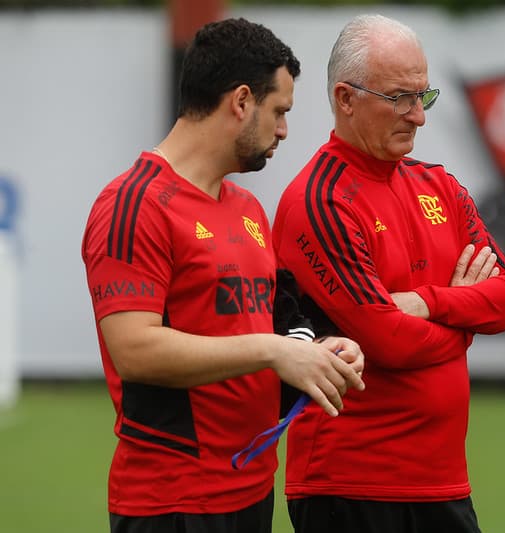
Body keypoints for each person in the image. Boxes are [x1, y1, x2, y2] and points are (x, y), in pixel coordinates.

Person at [81, 17, 365, 533]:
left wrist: (317, 349)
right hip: (172, 503)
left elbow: (275, 323)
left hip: (251, 491)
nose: (283, 129)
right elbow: (135, 350)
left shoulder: (248, 208)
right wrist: (275, 351)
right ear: (240, 101)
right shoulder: (134, 204)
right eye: (279, 111)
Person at [272, 13, 505, 533]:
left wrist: (433, 304)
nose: (418, 116)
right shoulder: (319, 200)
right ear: (346, 99)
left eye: (423, 96)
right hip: (353, 486)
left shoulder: (440, 186)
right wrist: (467, 322)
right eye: (400, 98)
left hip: (442, 484)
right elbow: (388, 340)